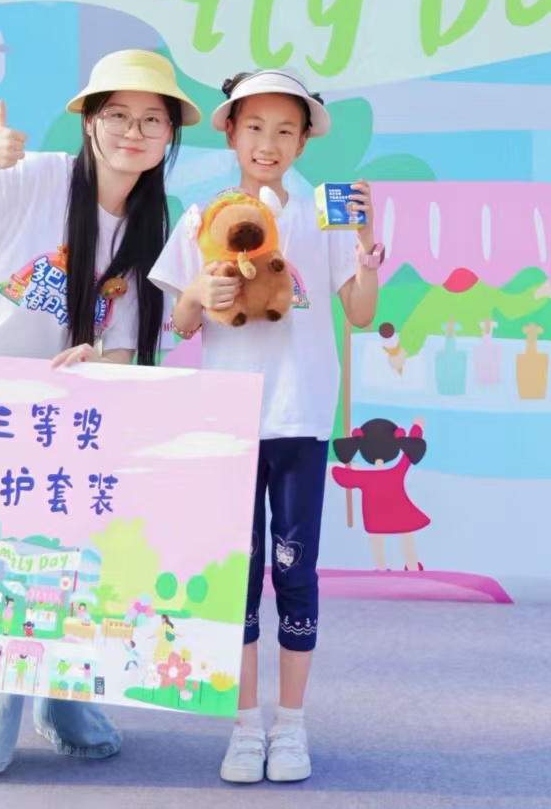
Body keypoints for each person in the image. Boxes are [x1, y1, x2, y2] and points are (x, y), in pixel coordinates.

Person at [0, 48, 198, 783]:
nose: (134, 132)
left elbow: (125, 350)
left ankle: (66, 708)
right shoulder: (37, 178)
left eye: (151, 120)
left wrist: (93, 367)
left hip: (52, 400)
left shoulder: (155, 228)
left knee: (58, 552)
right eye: (117, 115)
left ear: (169, 137)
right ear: (89, 121)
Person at [153, 68, 381, 785]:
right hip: (229, 422)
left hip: (300, 419)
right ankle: (244, 726)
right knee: (239, 578)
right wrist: (199, 290)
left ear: (305, 140)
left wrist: (367, 247)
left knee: (295, 573)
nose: (269, 142)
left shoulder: (323, 215)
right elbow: (178, 323)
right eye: (254, 126)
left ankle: (292, 725)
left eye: (286, 130)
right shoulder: (202, 219)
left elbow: (361, 312)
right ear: (229, 131)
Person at [331, 417, 431, 572]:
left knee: (377, 539)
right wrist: (417, 427)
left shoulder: (363, 478)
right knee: (407, 537)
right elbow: (409, 453)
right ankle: (412, 566)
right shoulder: (397, 472)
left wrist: (341, 465)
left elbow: (340, 476)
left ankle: (381, 567)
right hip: (401, 513)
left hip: (375, 518)